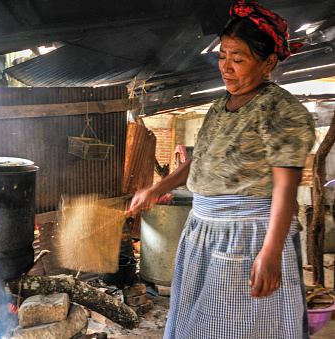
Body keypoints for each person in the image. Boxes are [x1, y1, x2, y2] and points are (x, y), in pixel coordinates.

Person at [129, 1, 316, 338]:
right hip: (204, 231)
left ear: (268, 62)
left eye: (238, 59)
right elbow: (197, 159)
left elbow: (286, 188)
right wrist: (158, 189)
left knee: (244, 327)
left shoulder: (281, 110)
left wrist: (271, 253)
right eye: (222, 56)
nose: (226, 68)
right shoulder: (220, 105)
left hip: (248, 236)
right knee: (200, 324)